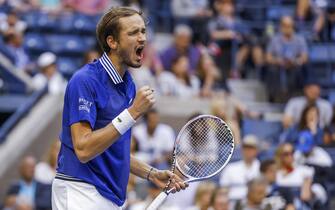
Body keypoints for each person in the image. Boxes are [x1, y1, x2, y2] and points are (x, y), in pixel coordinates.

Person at [52, 7, 187, 210]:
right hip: (79, 190)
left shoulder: (128, 84)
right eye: (133, 33)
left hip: (109, 196)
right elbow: (83, 149)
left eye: (143, 31)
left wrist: (151, 173)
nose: (142, 38)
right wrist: (132, 113)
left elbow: (113, 148)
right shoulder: (85, 81)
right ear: (112, 42)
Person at [266, 16, 308, 102]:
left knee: (301, 70)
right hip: (278, 66)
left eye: (290, 25)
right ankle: (275, 97)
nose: (287, 28)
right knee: (271, 70)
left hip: (294, 65)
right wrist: (277, 61)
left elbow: (305, 57)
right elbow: (268, 57)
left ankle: (295, 96)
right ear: (281, 27)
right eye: (285, 25)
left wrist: (296, 61)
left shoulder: (299, 39)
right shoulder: (275, 39)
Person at [220, 135, 260, 200]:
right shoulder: (230, 168)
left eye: (251, 148)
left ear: (257, 150)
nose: (248, 151)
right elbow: (223, 190)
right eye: (246, 148)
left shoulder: (261, 168)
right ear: (242, 149)